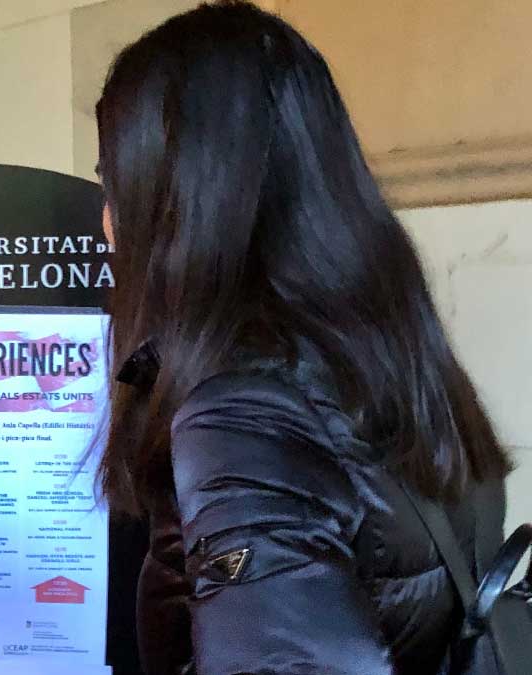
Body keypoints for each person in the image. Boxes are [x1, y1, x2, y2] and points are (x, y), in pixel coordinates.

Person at [95, 3, 511, 674]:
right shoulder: (386, 352)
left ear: (174, 198)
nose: (108, 219)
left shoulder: (243, 412)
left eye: (111, 180)